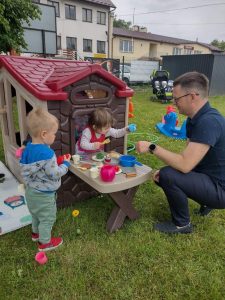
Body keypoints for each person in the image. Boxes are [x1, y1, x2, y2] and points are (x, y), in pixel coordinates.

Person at [136, 71, 225, 234]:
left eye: (176, 98)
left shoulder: (208, 122)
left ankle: (182, 224)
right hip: (212, 176)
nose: (174, 102)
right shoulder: (195, 119)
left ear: (192, 96)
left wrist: (152, 147)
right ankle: (206, 202)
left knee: (168, 175)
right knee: (166, 174)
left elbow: (184, 165)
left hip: (221, 189)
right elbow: (190, 158)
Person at [20, 108, 71, 251]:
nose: (55, 136)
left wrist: (58, 161)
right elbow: (53, 173)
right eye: (53, 133)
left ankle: (35, 234)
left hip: (31, 192)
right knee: (47, 218)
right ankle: (45, 242)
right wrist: (65, 165)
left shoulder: (28, 147)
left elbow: (40, 168)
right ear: (43, 134)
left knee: (36, 215)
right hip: (44, 195)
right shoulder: (47, 153)